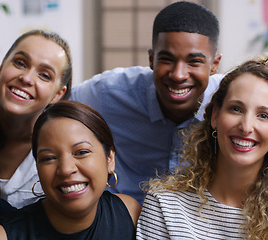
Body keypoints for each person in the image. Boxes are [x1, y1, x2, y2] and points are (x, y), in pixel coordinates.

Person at [136, 54, 268, 239]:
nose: (245, 127)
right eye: (236, 109)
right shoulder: (165, 204)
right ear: (215, 116)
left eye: (263, 115)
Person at [70, 1, 222, 204]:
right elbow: (52, 107)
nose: (178, 75)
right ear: (151, 59)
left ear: (215, 65)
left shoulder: (230, 100)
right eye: (167, 59)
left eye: (194, 62)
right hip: (124, 222)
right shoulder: (110, 92)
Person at [0, 101, 141, 239]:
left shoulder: (129, 212)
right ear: (37, 167)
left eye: (81, 152)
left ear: (110, 159)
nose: (65, 169)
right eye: (49, 158)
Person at [0, 29, 72, 208]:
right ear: (1, 67)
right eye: (20, 63)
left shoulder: (57, 149)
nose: (26, 78)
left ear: (57, 94)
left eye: (44, 75)